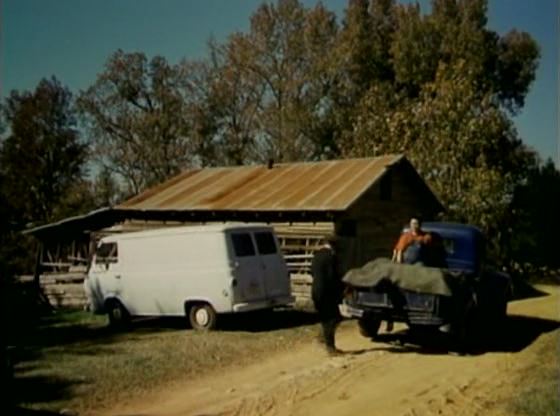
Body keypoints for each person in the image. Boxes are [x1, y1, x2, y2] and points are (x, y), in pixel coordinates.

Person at [311, 235, 344, 356]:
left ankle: (324, 339)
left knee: (327, 318)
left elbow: (311, 271)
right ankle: (330, 347)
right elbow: (332, 276)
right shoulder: (331, 257)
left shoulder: (317, 255)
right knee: (332, 318)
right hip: (327, 292)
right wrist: (340, 290)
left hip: (316, 290)